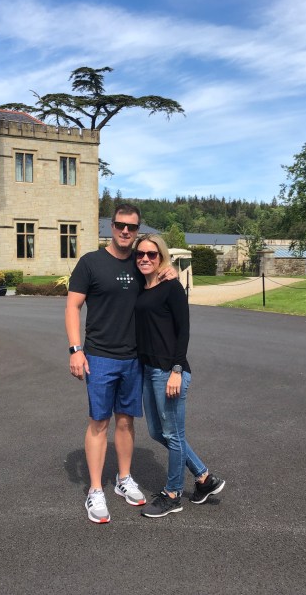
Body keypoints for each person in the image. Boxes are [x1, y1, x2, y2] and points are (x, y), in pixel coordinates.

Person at [66, 203, 176, 524]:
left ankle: (123, 478)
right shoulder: (90, 263)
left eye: (132, 227)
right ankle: (95, 489)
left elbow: (162, 281)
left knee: (126, 422)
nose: (125, 231)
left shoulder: (143, 263)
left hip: (133, 358)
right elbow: (73, 307)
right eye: (120, 225)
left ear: (138, 229)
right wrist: (75, 349)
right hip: (99, 356)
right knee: (99, 423)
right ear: (111, 227)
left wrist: (169, 271)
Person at [133, 233, 225, 518]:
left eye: (151, 254)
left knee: (173, 435)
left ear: (161, 257)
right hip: (148, 369)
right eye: (140, 254)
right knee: (157, 432)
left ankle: (173, 494)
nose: (145, 258)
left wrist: (176, 370)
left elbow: (183, 331)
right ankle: (204, 478)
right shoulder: (141, 285)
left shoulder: (171, 287)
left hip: (168, 370)